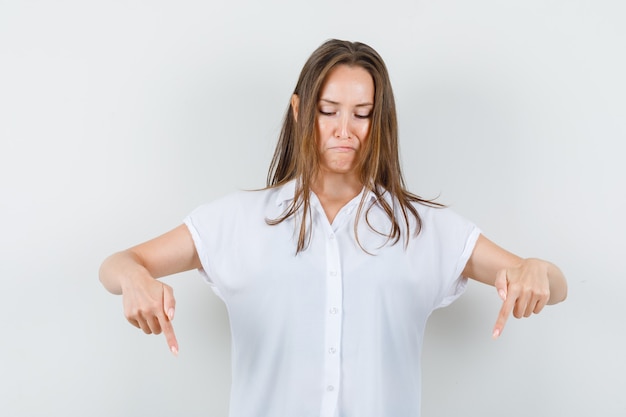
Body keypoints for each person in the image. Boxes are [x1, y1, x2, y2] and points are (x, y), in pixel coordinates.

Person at [99, 39, 567, 417]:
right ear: (301, 111)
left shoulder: (425, 230)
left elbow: (552, 283)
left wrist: (535, 269)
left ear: (379, 120)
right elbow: (118, 265)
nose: (346, 129)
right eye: (329, 110)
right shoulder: (237, 220)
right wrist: (136, 278)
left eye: (362, 114)